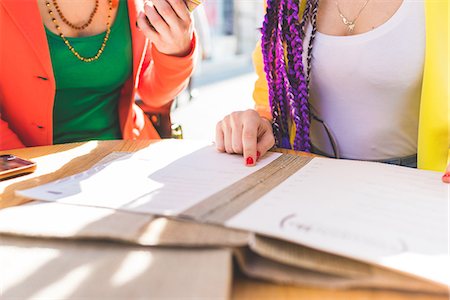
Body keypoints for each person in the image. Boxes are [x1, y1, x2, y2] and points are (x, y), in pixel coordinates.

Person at [215, 0, 449, 181]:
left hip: (416, 186)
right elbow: (272, 94)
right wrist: (259, 126)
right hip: (305, 181)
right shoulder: (286, 3)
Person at [0, 0, 197, 149]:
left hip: (127, 156)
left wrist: (175, 52)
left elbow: (153, 96)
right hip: (28, 171)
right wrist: (25, 169)